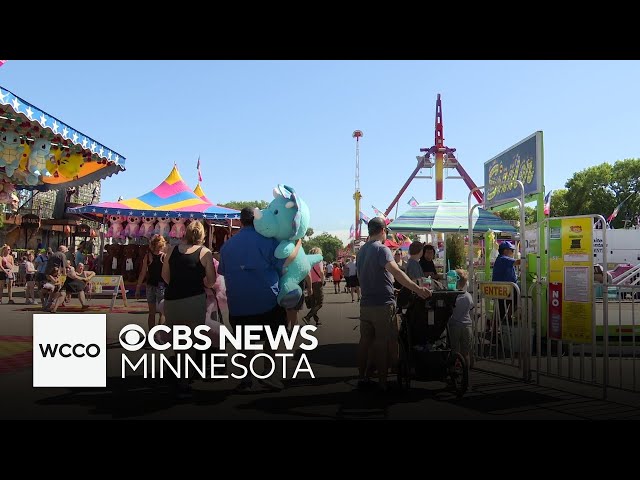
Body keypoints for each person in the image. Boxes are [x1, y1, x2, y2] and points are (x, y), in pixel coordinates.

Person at [356, 217, 432, 392]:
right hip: (382, 304)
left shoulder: (362, 251)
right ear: (383, 231)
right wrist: (418, 289)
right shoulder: (382, 249)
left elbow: (366, 277)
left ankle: (362, 376)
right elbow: (396, 272)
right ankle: (383, 382)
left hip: (366, 304)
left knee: (365, 341)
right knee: (383, 342)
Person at [218, 207, 290, 392]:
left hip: (239, 304)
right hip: (267, 300)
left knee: (244, 342)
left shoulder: (227, 246)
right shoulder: (269, 242)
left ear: (241, 222)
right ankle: (269, 375)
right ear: (256, 220)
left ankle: (246, 379)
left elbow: (223, 272)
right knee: (271, 339)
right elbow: (282, 267)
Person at [162, 220, 217, 397]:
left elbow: (165, 276)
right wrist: (201, 283)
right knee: (191, 342)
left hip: (172, 300)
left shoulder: (171, 250)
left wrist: (178, 284)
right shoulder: (205, 253)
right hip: (193, 300)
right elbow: (211, 280)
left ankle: (180, 375)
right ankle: (185, 380)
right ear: (202, 235)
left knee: (179, 342)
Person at [448, 269, 475, 388]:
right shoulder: (468, 296)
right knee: (466, 353)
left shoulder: (452, 297)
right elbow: (471, 309)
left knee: (454, 351)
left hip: (454, 326)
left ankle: (453, 377)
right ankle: (466, 377)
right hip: (467, 326)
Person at [135, 234, 167, 333]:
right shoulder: (164, 257)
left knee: (152, 312)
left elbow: (143, 273)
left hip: (151, 285)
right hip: (160, 285)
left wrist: (138, 287)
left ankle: (151, 334)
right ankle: (159, 334)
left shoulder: (148, 256)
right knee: (162, 313)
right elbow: (167, 273)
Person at [491, 241, 520, 324]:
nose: (513, 252)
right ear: (505, 251)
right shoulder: (503, 259)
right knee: (500, 311)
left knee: (512, 303)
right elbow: (518, 262)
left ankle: (507, 319)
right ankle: (495, 330)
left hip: (506, 289)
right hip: (503, 290)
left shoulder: (502, 259)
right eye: (512, 250)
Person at [303, 247, 324, 326]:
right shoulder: (319, 260)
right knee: (319, 303)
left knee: (313, 303)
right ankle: (307, 317)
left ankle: (317, 320)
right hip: (317, 284)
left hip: (309, 283)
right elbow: (321, 272)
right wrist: (323, 281)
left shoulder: (307, 261)